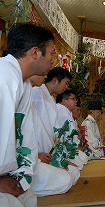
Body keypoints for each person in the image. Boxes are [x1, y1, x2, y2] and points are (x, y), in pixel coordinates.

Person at [0, 23, 55, 207]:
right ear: (35, 53)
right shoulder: (4, 76)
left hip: (9, 172)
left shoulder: (21, 83)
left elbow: (23, 137)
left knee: (29, 197)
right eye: (52, 53)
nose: (53, 60)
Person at [30, 67, 78, 196]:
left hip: (48, 154)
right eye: (66, 83)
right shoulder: (36, 93)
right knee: (67, 179)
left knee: (73, 172)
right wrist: (36, 154)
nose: (66, 87)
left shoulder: (50, 98)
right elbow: (31, 129)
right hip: (34, 156)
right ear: (56, 81)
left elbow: (52, 132)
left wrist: (59, 157)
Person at [56, 90, 88, 169]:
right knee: (78, 166)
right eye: (73, 99)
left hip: (71, 148)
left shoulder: (67, 112)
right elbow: (64, 136)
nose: (75, 101)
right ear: (64, 100)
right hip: (63, 150)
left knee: (83, 160)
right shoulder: (61, 111)